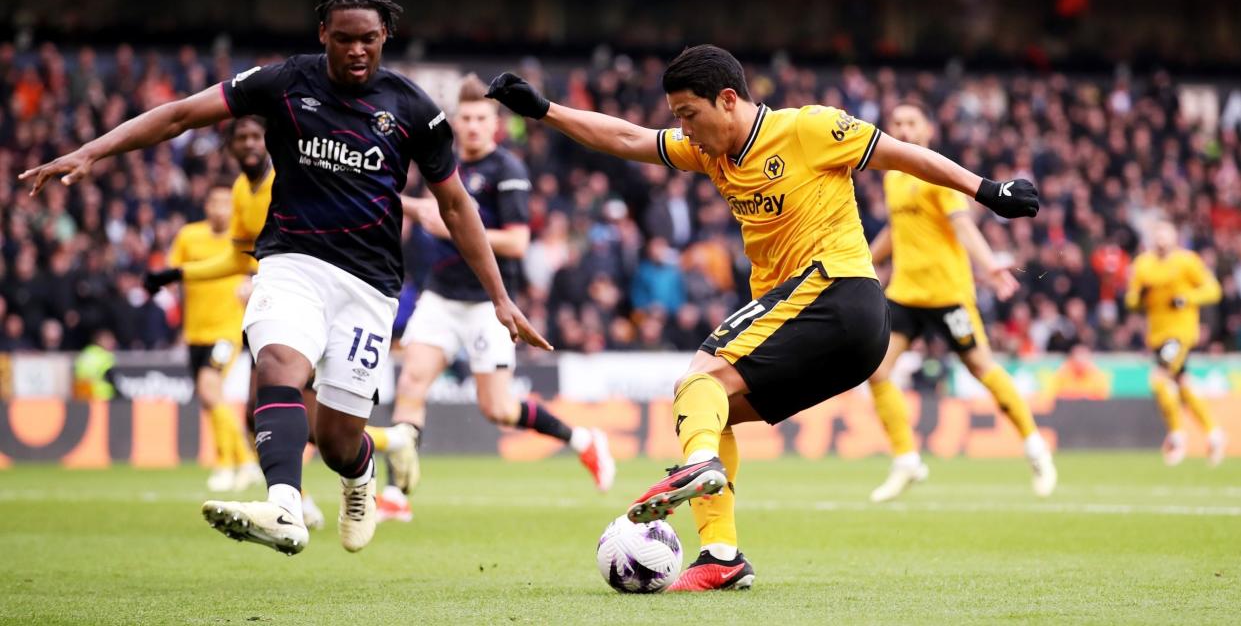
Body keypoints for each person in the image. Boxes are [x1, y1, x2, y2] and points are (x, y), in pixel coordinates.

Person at [21, 0, 549, 556]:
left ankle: (361, 474)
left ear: (385, 37)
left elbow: (456, 206)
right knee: (277, 365)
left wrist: (499, 297)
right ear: (323, 34)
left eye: (368, 40)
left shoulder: (414, 110)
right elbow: (179, 116)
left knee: (337, 439)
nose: (355, 51)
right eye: (343, 39)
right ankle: (284, 507)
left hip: (370, 286)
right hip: (292, 261)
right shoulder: (284, 81)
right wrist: (92, 151)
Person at [485, 45, 1039, 592]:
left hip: (835, 289)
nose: (686, 131)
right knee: (712, 406)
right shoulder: (710, 150)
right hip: (845, 334)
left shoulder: (808, 129)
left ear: (728, 100)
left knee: (697, 382)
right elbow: (629, 137)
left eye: (689, 116)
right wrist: (544, 111)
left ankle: (698, 466)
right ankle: (721, 556)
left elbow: (902, 153)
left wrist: (988, 190)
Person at [365, 75, 613, 523]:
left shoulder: (508, 172)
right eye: (467, 118)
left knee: (497, 408)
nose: (474, 126)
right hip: (440, 297)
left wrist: (453, 227)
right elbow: (428, 211)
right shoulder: (443, 162)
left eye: (482, 118)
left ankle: (584, 441)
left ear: (495, 123)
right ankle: (396, 494)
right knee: (411, 384)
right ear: (456, 122)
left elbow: (518, 243)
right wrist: (416, 209)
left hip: (487, 304)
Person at [864, 102, 1056, 503]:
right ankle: (906, 460)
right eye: (896, 122)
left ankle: (1035, 447)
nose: (902, 127)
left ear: (927, 130)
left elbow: (963, 223)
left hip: (947, 294)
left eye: (911, 122)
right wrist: (863, 258)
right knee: (878, 373)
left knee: (982, 368)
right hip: (905, 293)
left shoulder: (935, 173)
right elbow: (897, 231)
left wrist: (989, 267)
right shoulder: (893, 176)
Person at [144, 117, 326, 529]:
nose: (248, 143)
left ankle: (361, 464)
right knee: (262, 416)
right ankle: (299, 499)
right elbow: (240, 255)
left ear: (270, 139)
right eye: (240, 137)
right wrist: (178, 274)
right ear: (229, 145)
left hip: (308, 301)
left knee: (311, 423)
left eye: (255, 136)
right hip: (261, 312)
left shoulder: (288, 177)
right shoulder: (245, 190)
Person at [162, 178, 263, 493]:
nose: (220, 209)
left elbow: (264, 268)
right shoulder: (189, 237)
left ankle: (227, 464)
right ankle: (244, 461)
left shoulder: (241, 238)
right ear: (206, 206)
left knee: (209, 389)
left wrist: (251, 284)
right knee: (211, 399)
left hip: (226, 333)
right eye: (214, 203)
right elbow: (172, 273)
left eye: (226, 203)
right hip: (194, 334)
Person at [1124, 221, 1224, 466]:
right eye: (1157, 236)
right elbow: (1131, 301)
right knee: (1181, 383)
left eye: (1165, 236)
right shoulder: (1142, 264)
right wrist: (1140, 297)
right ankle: (1214, 434)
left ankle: (1177, 437)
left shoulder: (1187, 261)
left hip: (1181, 333)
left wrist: (1187, 297)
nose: (1161, 241)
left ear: (1174, 238)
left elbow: (1213, 290)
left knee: (1159, 378)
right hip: (1157, 336)